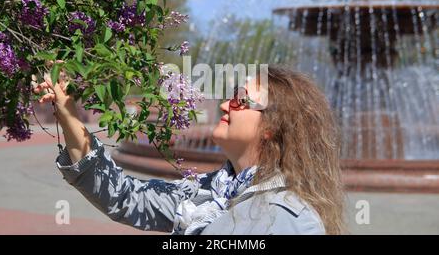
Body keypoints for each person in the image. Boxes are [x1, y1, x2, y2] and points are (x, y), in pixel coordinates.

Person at [33, 65, 344, 235]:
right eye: (231, 95)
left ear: (272, 126)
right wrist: (68, 113)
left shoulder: (290, 219)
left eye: (241, 100)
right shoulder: (210, 191)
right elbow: (124, 197)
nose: (225, 104)